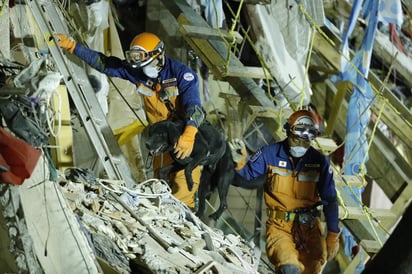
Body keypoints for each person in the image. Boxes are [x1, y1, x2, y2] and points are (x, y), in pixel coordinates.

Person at [54, 32, 204, 209]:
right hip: (161, 140)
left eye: (144, 62)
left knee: (182, 186)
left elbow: (194, 107)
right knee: (159, 187)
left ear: (159, 55)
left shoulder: (182, 74)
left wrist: (189, 134)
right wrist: (73, 47)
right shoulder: (139, 72)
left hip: (183, 139)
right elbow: (106, 64)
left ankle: (185, 222)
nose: (142, 69)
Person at [229, 109, 340, 274]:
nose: (301, 145)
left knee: (311, 269)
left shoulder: (320, 162)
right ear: (288, 131)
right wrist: (240, 163)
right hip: (280, 228)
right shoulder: (269, 154)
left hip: (310, 231)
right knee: (289, 268)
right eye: (297, 139)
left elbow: (330, 200)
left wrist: (332, 234)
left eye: (306, 141)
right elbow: (247, 174)